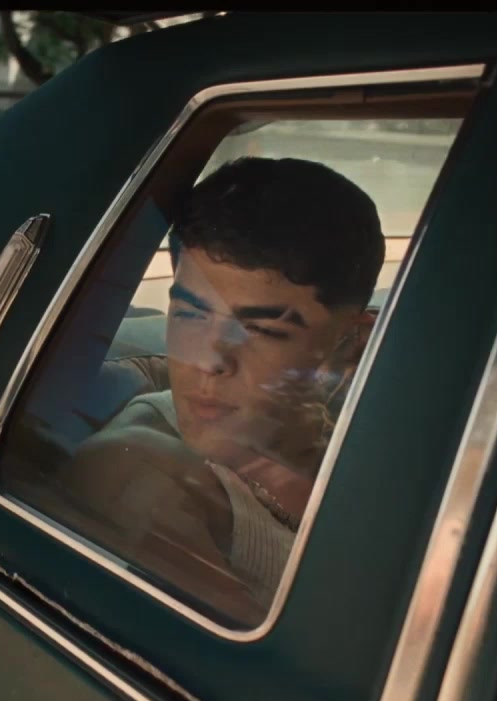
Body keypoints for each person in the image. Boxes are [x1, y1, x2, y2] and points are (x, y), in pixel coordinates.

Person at [55, 156, 385, 621]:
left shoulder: (366, 443)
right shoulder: (136, 468)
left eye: (260, 330)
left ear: (351, 341)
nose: (207, 360)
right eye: (190, 314)